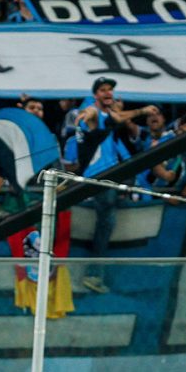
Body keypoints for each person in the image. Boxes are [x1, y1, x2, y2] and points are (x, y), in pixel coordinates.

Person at [75, 77, 158, 293]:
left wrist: (142, 111)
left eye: (110, 90)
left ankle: (95, 273)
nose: (108, 93)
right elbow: (89, 115)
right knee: (105, 223)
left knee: (107, 222)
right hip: (98, 178)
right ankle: (93, 274)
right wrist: (84, 115)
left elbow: (119, 117)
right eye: (103, 90)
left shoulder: (108, 114)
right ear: (95, 95)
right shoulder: (92, 110)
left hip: (109, 177)